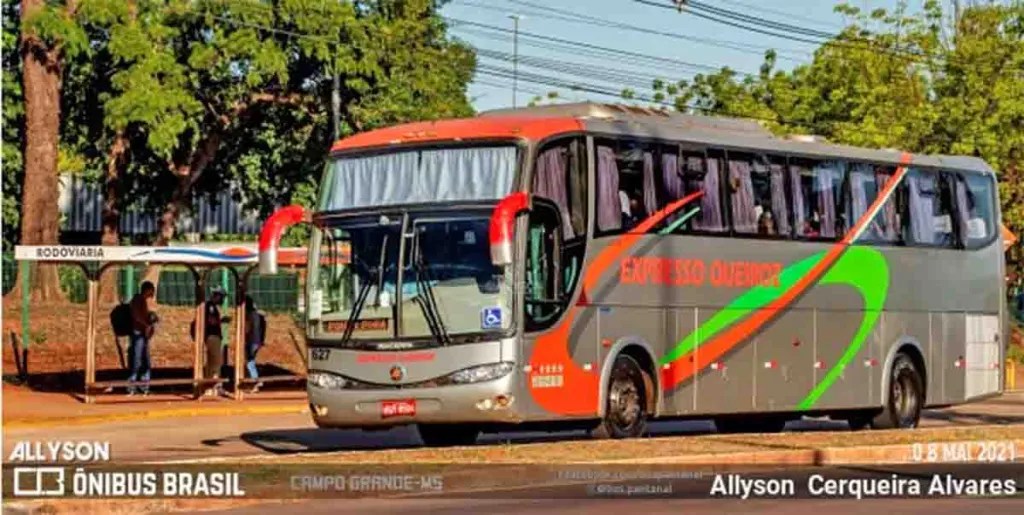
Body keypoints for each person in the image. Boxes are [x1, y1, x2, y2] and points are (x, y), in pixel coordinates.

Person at [127, 281, 157, 396]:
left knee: (145, 361)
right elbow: (136, 316)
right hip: (138, 332)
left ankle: (144, 386)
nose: (152, 293)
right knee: (137, 360)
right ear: (147, 290)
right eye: (151, 290)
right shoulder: (137, 300)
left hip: (143, 333)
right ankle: (132, 386)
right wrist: (146, 325)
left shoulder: (143, 301)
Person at [200, 286, 231, 397]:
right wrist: (220, 321)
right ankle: (214, 385)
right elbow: (210, 321)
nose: (222, 300)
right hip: (212, 336)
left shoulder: (211, 306)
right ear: (217, 296)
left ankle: (211, 386)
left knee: (212, 362)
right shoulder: (210, 306)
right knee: (216, 362)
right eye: (222, 297)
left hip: (212, 336)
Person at [243, 295, 265, 393]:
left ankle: (256, 380)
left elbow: (247, 329)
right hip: (257, 341)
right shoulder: (257, 315)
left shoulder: (249, 315)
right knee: (251, 361)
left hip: (251, 340)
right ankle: (253, 384)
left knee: (249, 362)